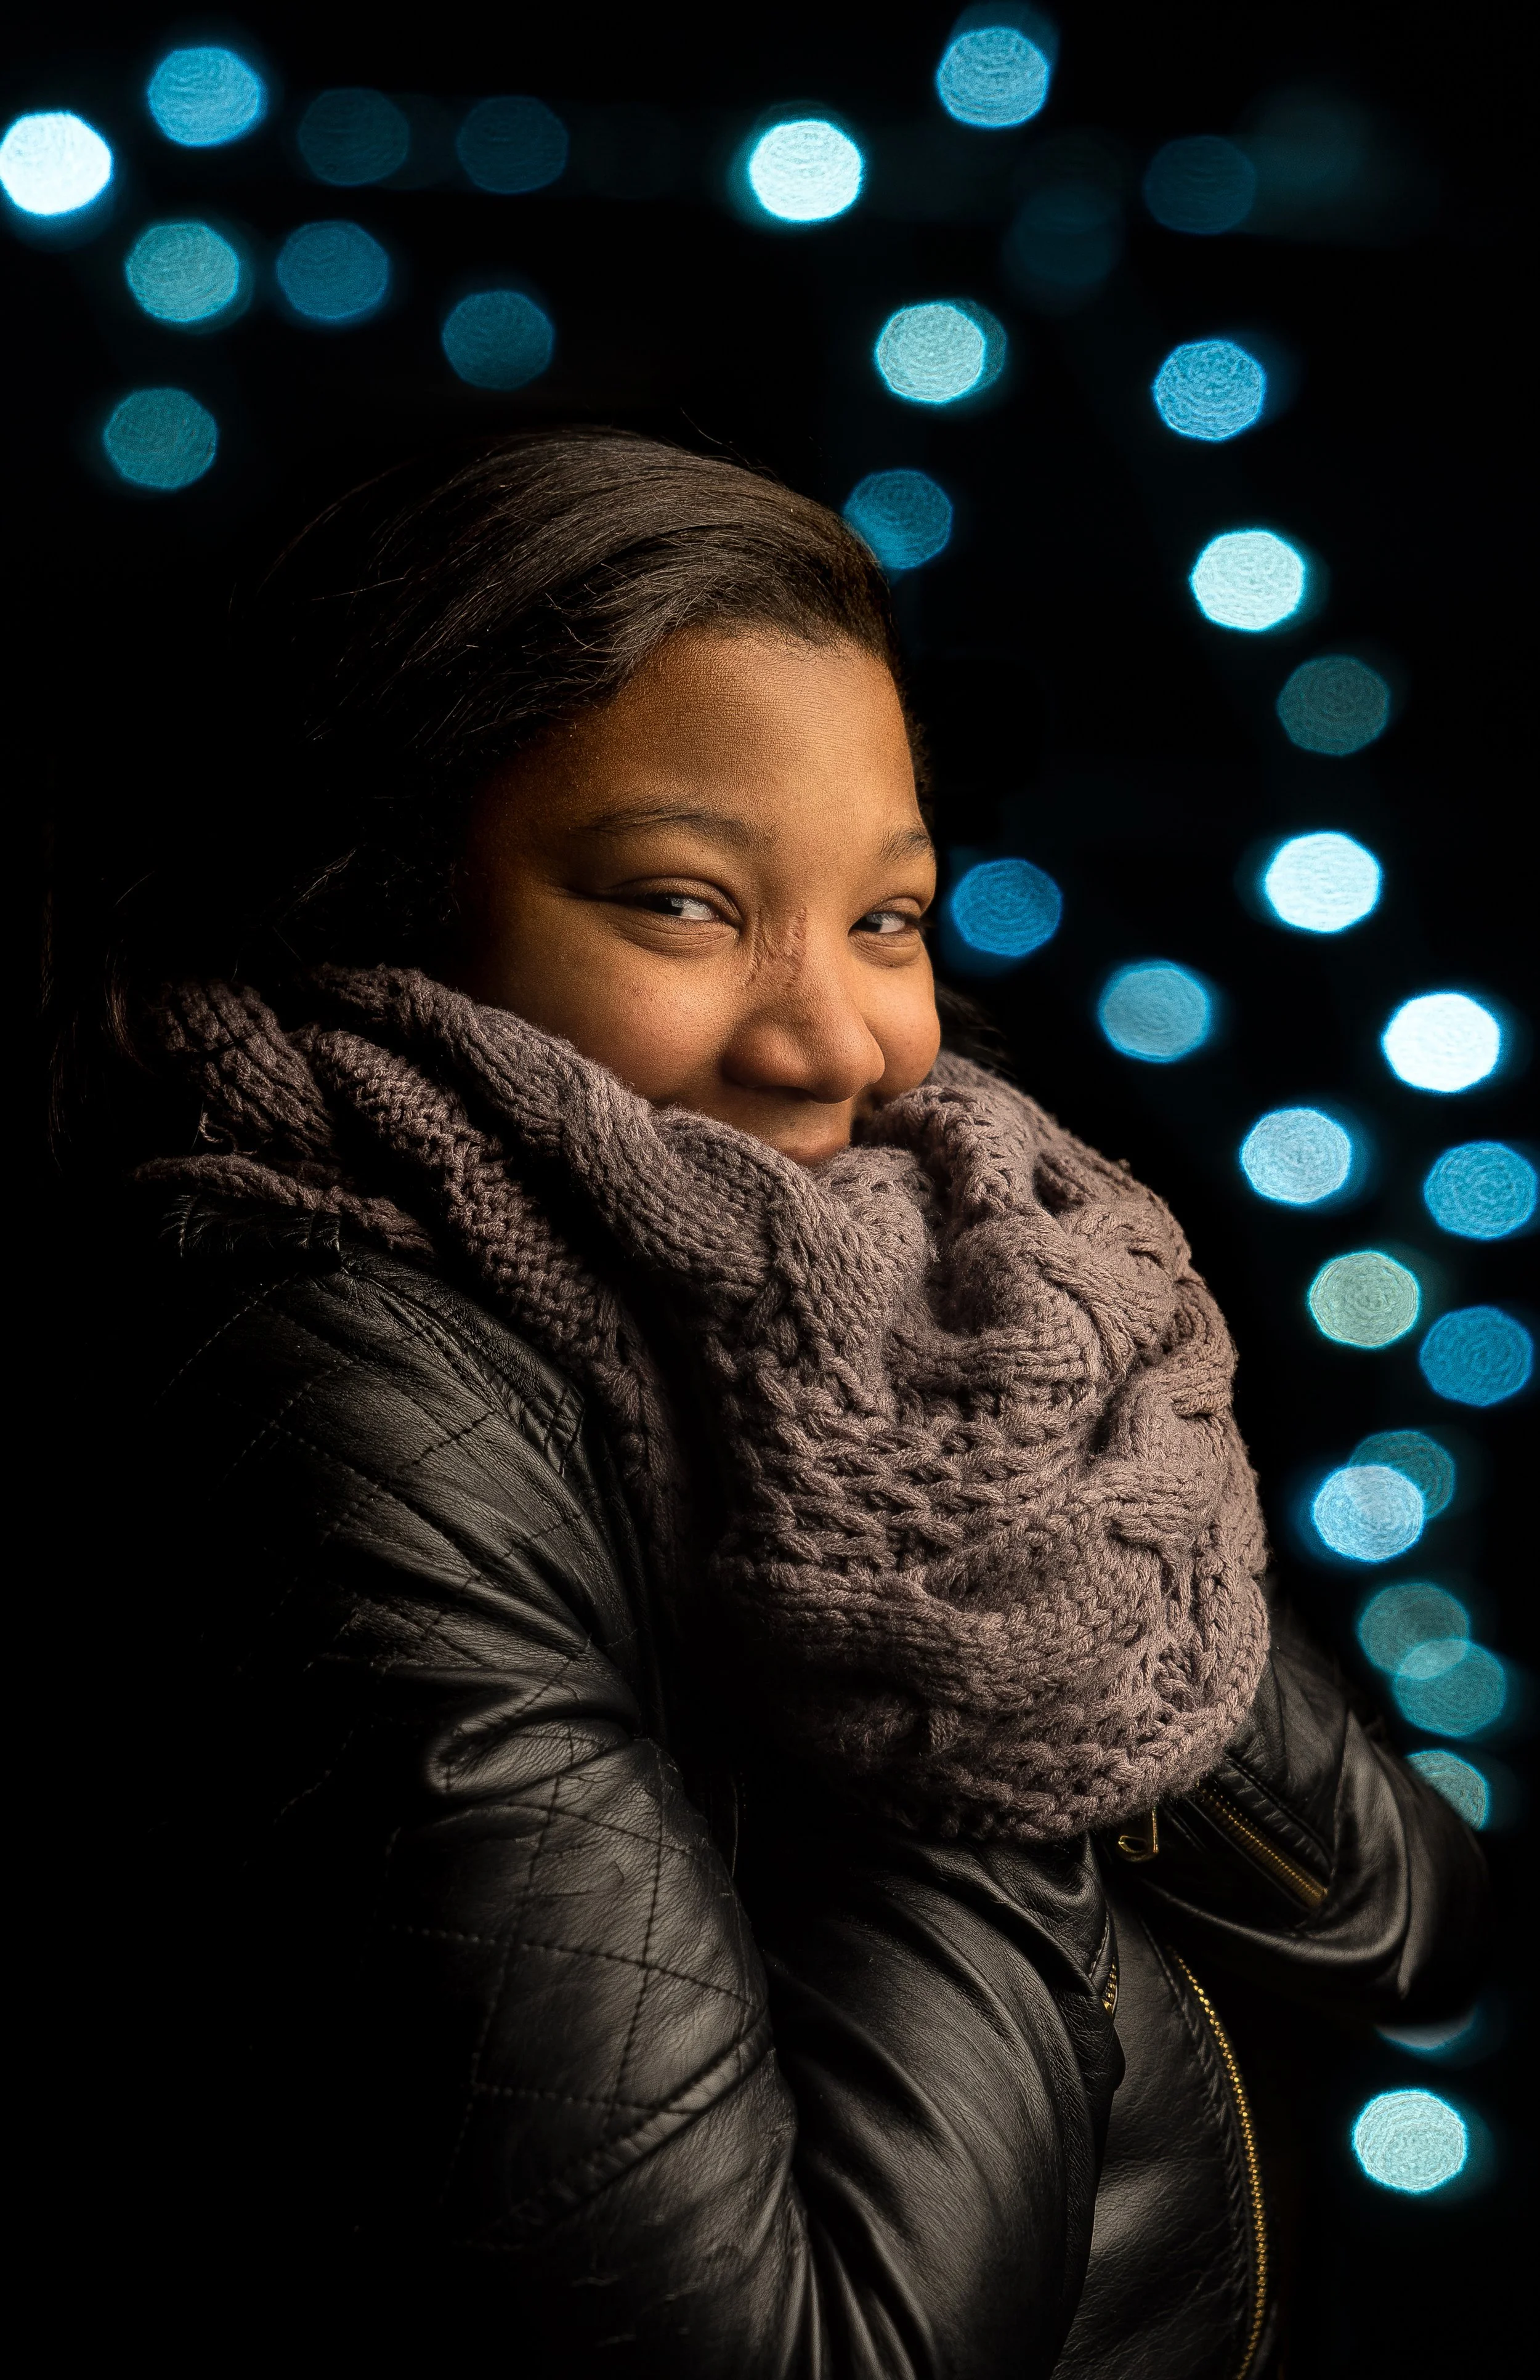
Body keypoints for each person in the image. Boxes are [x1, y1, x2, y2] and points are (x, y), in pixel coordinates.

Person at [77, 431, 1483, 2376]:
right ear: (378, 902)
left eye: (888, 919)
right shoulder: (340, 1385)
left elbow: (1398, 1925)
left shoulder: (942, 1307)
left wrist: (991, 1491)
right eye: (680, 903)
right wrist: (927, 1628)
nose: (838, 1045)